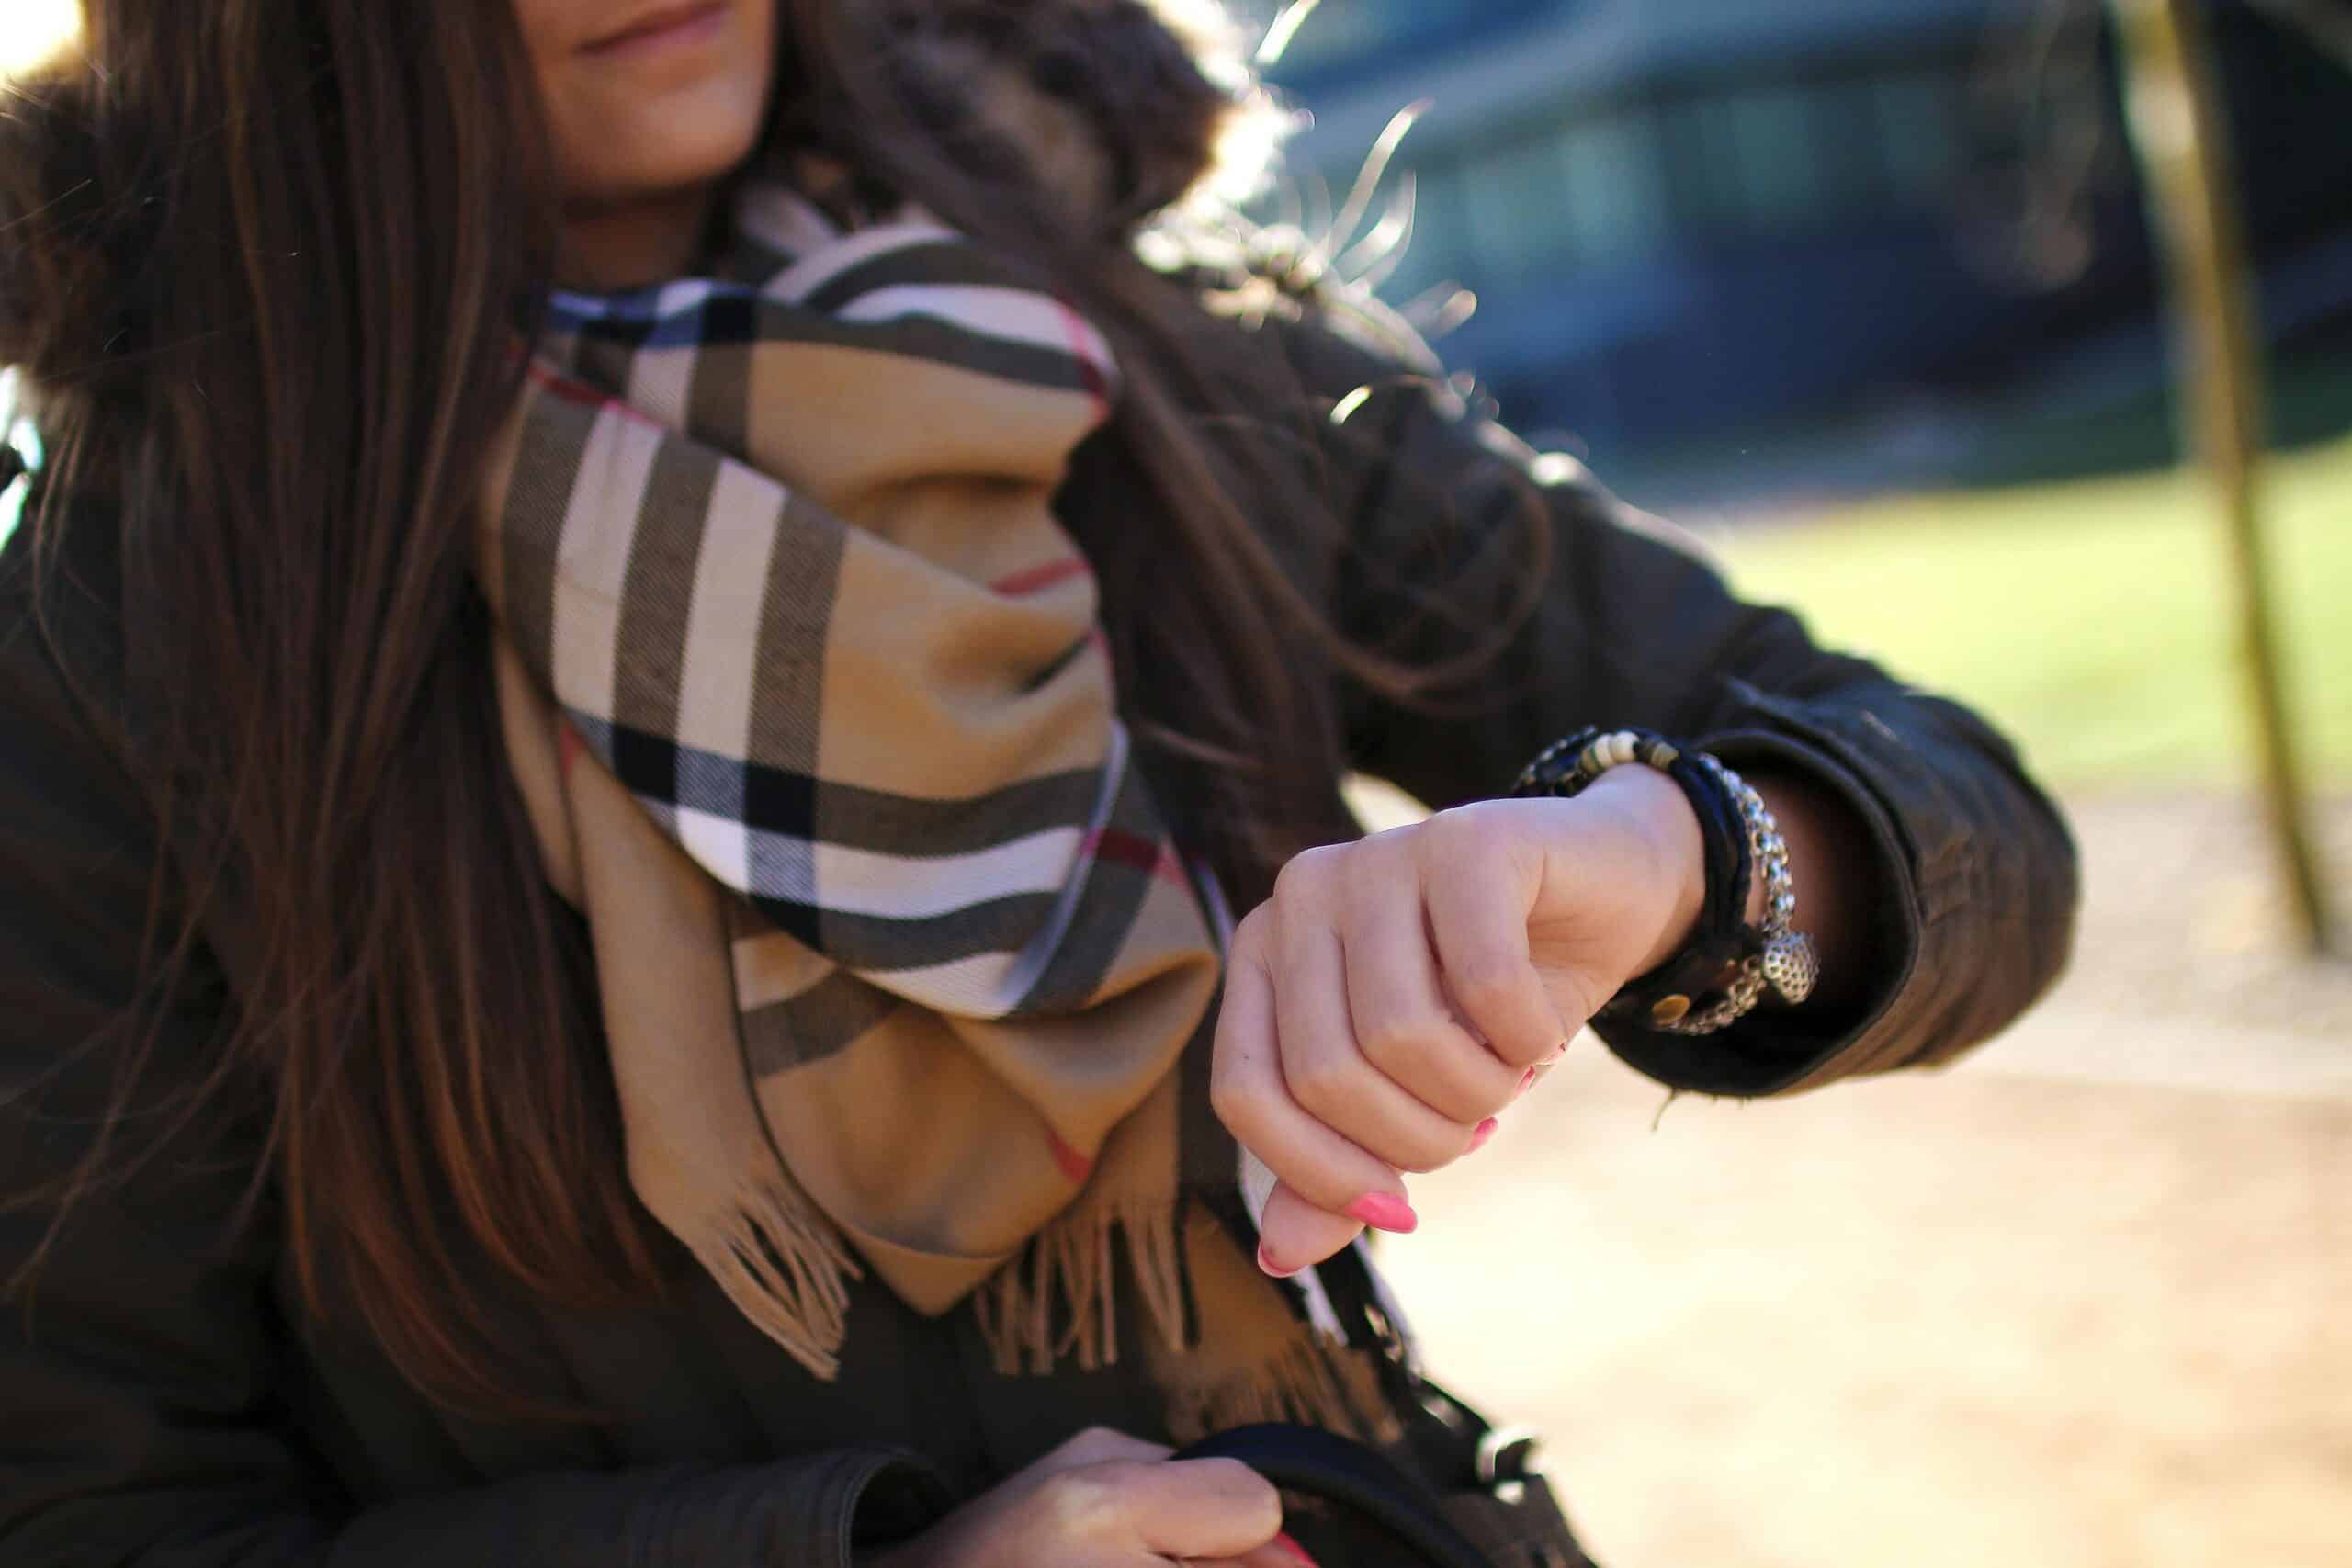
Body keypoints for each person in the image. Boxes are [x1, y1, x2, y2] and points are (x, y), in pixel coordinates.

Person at [0, 3, 2078, 1564]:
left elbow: (1963, 818)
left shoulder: (1168, 363)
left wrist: (1656, 852)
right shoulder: (136, 618)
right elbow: (100, 1511)